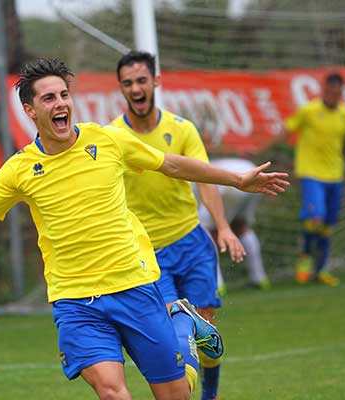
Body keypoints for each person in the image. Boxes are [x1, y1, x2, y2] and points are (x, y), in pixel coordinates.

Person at [0, 58, 289, 400]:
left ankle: (183, 330)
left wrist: (237, 179)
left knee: (175, 396)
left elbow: (172, 164)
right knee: (110, 390)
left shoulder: (106, 141)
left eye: (64, 95)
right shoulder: (18, 170)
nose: (60, 104)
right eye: (48, 98)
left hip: (134, 287)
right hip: (76, 302)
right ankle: (179, 328)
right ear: (31, 111)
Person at [111, 50, 244, 400]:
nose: (136, 88)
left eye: (142, 80)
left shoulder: (181, 129)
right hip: (149, 254)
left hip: (191, 242)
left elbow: (204, 180)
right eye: (128, 83)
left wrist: (223, 227)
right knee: (176, 331)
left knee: (206, 331)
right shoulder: (113, 138)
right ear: (121, 88)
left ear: (155, 81)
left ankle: (210, 394)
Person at [280, 72, 345, 286]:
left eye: (337, 93)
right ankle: (304, 257)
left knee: (328, 225)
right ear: (324, 90)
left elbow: (343, 144)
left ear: (341, 93)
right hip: (311, 172)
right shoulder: (309, 110)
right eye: (330, 92)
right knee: (316, 217)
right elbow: (287, 129)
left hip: (335, 174)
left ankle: (321, 270)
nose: (333, 96)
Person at [197, 158, 270, 290]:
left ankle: (217, 284)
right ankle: (259, 278)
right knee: (241, 226)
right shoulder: (206, 159)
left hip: (232, 182)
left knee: (204, 229)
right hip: (252, 172)